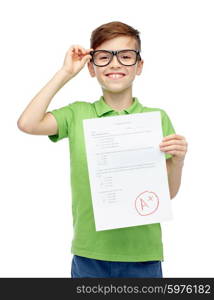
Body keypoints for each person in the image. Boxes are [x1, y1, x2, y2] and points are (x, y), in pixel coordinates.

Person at [17, 21, 188, 278]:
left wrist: (178, 162)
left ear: (139, 66)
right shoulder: (77, 114)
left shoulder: (156, 118)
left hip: (143, 255)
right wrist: (65, 72)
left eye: (126, 56)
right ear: (91, 67)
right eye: (105, 57)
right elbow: (27, 123)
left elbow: (169, 193)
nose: (115, 64)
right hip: (90, 255)